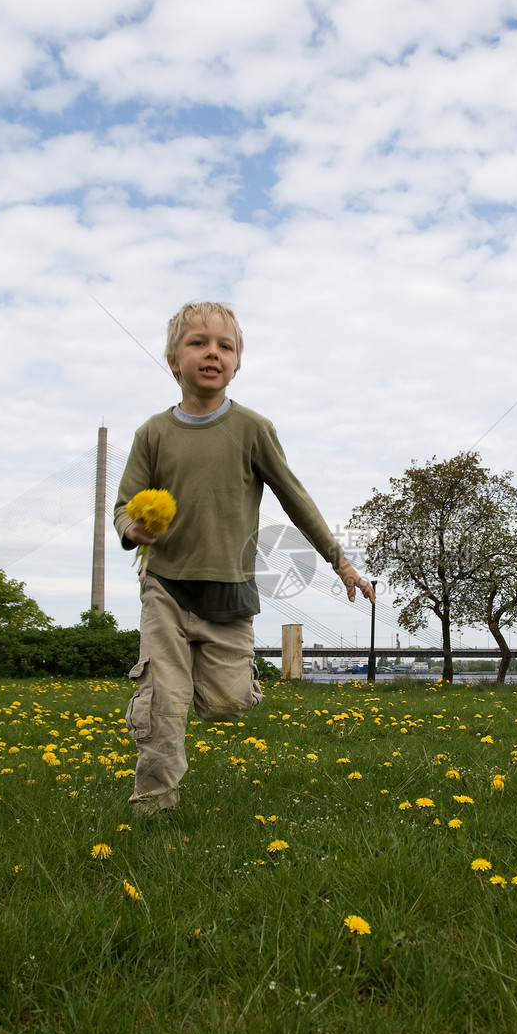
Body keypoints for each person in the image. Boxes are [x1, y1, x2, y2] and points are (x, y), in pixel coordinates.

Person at [114, 300, 373, 814]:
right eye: (198, 343)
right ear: (173, 360)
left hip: (229, 593)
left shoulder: (253, 429)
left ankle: (201, 687)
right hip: (164, 584)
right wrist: (133, 528)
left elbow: (295, 497)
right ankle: (152, 805)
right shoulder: (152, 434)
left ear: (236, 363)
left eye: (224, 346)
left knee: (228, 701)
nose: (212, 353)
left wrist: (340, 561)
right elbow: (123, 506)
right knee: (164, 706)